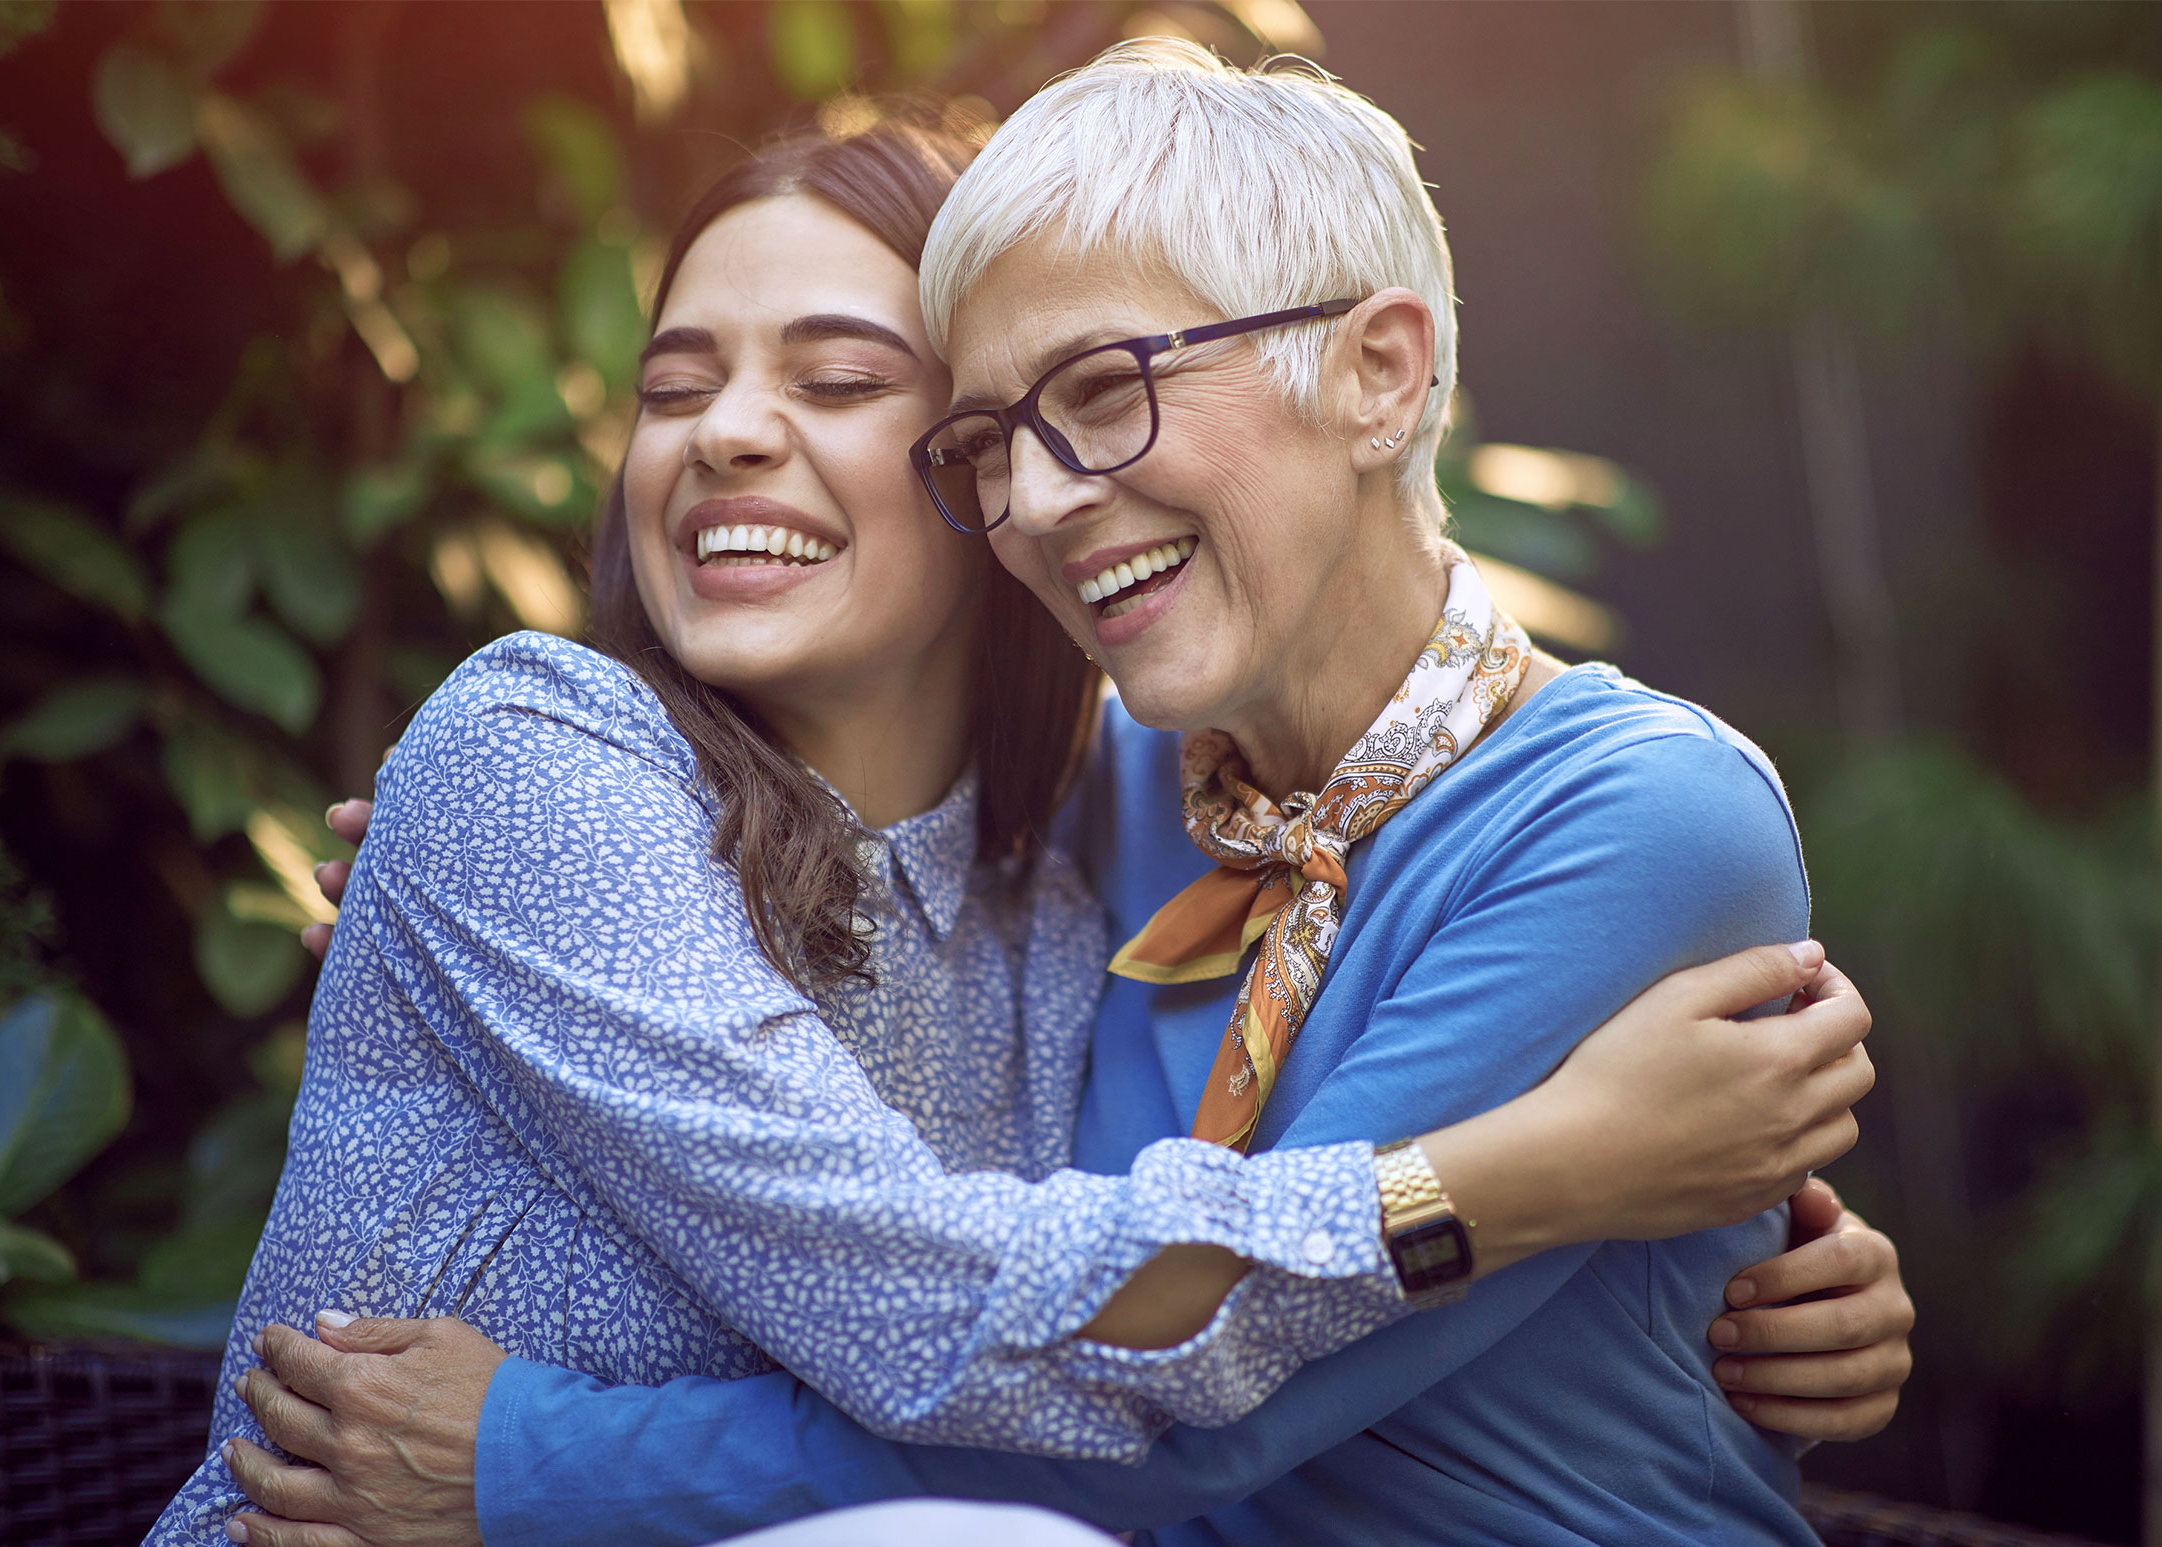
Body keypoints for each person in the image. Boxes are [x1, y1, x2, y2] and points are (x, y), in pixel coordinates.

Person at [212, 81, 1907, 1547]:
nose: (1032, 496)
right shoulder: (1118, 812)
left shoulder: (1642, 816)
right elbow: (970, 1258)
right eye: (994, 438)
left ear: (1381, 374)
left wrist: (538, 1461)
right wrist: (489, 883)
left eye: (1104, 392)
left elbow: (1183, 1416)